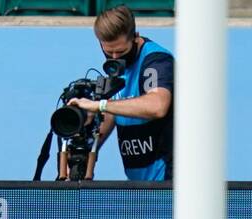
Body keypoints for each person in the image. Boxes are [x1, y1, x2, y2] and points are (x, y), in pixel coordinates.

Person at [64, 3, 174, 182]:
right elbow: (112, 113)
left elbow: (157, 105)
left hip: (170, 180)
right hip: (138, 184)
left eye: (121, 51)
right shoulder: (117, 66)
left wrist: (99, 105)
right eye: (109, 52)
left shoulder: (156, 61)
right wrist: (86, 147)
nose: (115, 58)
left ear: (135, 37)